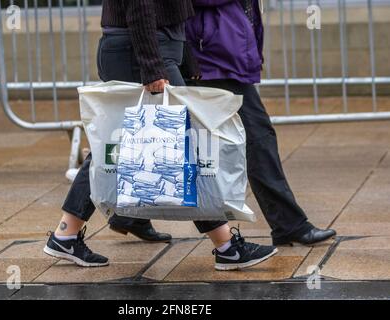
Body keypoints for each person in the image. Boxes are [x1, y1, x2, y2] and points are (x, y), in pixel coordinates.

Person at [43, 0, 278, 271]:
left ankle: (66, 233)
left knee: (124, 145)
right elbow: (140, 4)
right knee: (185, 142)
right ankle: (226, 246)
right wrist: (153, 66)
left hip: (149, 46)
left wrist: (185, 56)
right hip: (141, 48)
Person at [183, 0, 336, 246]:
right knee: (258, 140)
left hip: (221, 59)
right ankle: (289, 224)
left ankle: (129, 217)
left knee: (248, 140)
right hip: (211, 60)